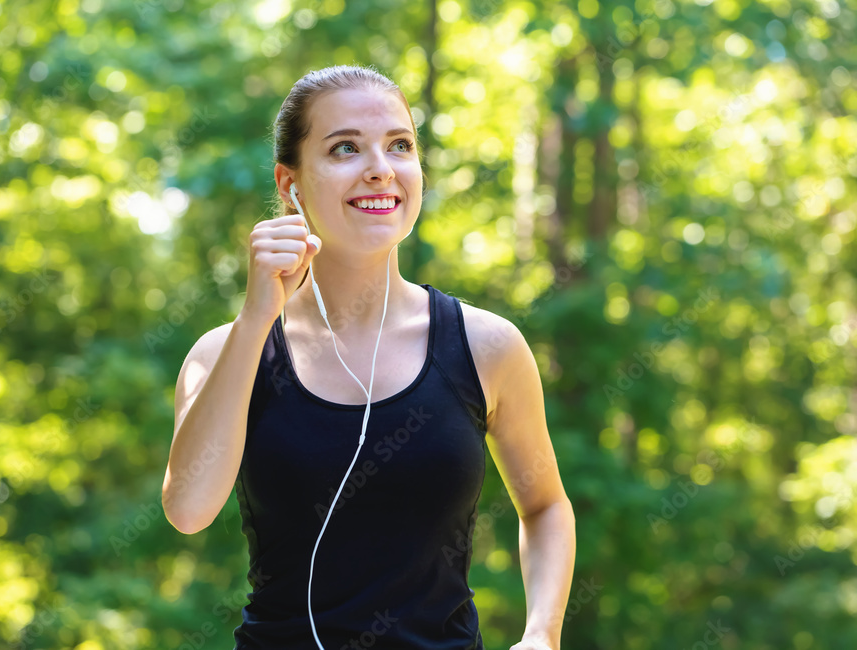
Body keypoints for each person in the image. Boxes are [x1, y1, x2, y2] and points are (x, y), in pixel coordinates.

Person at [162, 64, 576, 650]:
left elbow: (546, 505)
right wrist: (256, 319)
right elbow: (188, 509)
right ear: (291, 184)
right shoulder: (225, 352)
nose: (380, 168)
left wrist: (543, 633)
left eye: (400, 145)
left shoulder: (488, 347)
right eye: (345, 148)